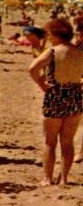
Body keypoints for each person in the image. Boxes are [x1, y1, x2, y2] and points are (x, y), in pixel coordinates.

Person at [28, 19, 83, 185]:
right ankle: (64, 178)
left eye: (49, 33)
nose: (48, 37)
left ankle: (47, 178)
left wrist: (42, 85)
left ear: (57, 34)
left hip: (55, 95)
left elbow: (32, 69)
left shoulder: (52, 51)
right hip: (74, 96)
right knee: (67, 141)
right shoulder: (80, 51)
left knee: (50, 141)